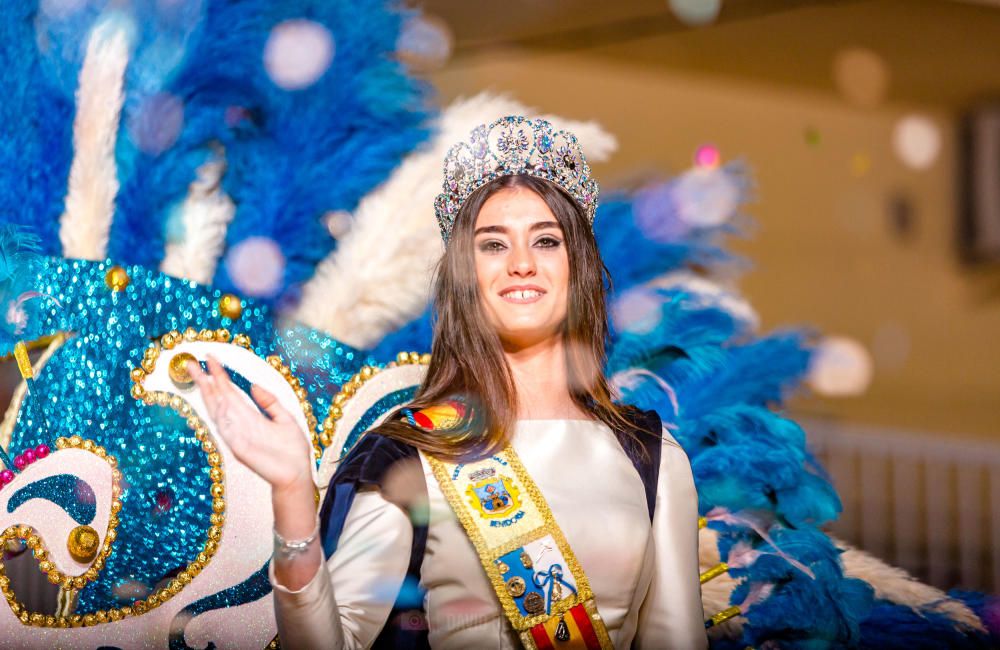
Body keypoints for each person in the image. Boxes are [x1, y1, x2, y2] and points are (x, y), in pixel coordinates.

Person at [187, 116, 706, 649]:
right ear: (465, 276)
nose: (522, 264)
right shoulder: (413, 451)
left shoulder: (652, 455)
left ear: (578, 267)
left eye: (547, 241)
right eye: (493, 245)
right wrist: (294, 494)